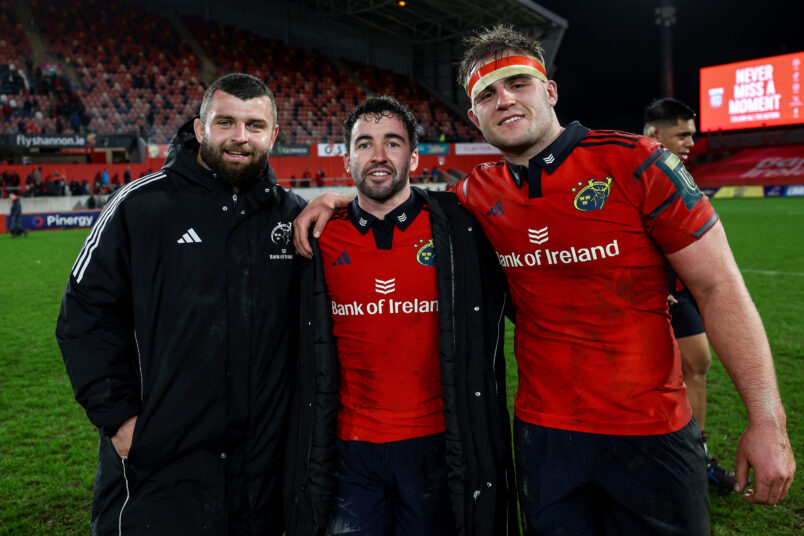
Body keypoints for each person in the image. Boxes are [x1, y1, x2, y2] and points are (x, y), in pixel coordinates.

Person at [293, 25, 795, 536]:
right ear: (475, 117)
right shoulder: (474, 195)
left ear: (550, 90)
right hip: (543, 438)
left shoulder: (637, 162)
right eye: (487, 94)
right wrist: (337, 201)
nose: (505, 100)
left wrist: (767, 421)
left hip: (651, 430)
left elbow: (719, 288)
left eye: (518, 83)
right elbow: (393, 205)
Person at [56, 73, 306, 535]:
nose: (240, 136)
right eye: (225, 122)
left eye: (254, 125)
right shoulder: (140, 206)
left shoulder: (291, 216)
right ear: (199, 128)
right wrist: (121, 422)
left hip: (259, 476)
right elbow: (84, 316)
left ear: (273, 135)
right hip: (160, 468)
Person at [284, 96, 517, 536]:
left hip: (436, 446)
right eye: (364, 144)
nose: (378, 155)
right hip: (349, 451)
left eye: (392, 143)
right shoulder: (318, 236)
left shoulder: (459, 229)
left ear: (413, 157)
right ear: (347, 159)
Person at [644, 97, 735, 490]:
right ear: (655, 133)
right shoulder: (634, 169)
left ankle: (696, 455)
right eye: (682, 134)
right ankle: (683, 458)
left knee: (695, 365)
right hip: (657, 291)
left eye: (692, 135)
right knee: (680, 367)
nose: (691, 143)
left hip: (684, 287)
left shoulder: (676, 171)